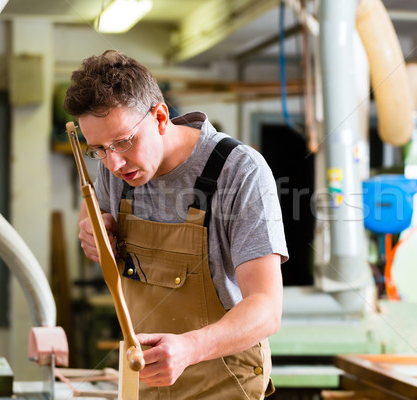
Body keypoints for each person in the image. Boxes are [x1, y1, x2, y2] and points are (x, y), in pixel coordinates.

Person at [63, 50, 288, 399]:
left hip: (220, 381)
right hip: (145, 380)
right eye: (99, 150)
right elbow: (91, 213)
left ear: (161, 116)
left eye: (124, 141)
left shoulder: (239, 171)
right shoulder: (115, 167)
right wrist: (92, 228)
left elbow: (266, 308)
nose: (114, 163)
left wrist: (190, 348)